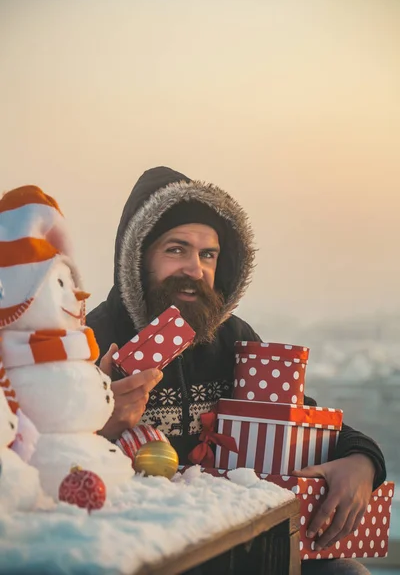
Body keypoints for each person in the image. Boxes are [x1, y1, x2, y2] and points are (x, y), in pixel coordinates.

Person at [87, 166, 385, 575]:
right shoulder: (90, 338)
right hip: (132, 550)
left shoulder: (233, 341)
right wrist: (101, 426)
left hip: (237, 549)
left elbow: (295, 418)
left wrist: (362, 460)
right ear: (137, 258)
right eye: (176, 249)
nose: (195, 269)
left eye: (207, 254)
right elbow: (36, 458)